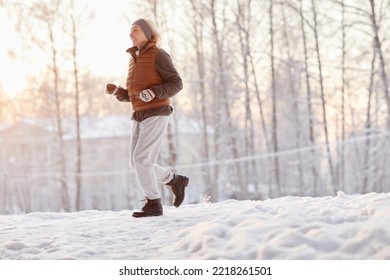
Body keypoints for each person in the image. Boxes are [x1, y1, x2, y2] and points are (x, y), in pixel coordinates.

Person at [105, 18, 189, 218]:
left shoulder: (158, 55)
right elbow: (136, 95)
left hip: (157, 112)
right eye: (130, 31)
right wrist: (120, 92)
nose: (131, 34)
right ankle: (173, 180)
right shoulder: (134, 59)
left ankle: (153, 203)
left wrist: (154, 92)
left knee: (142, 159)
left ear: (148, 32)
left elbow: (176, 83)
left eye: (135, 30)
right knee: (137, 163)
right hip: (139, 114)